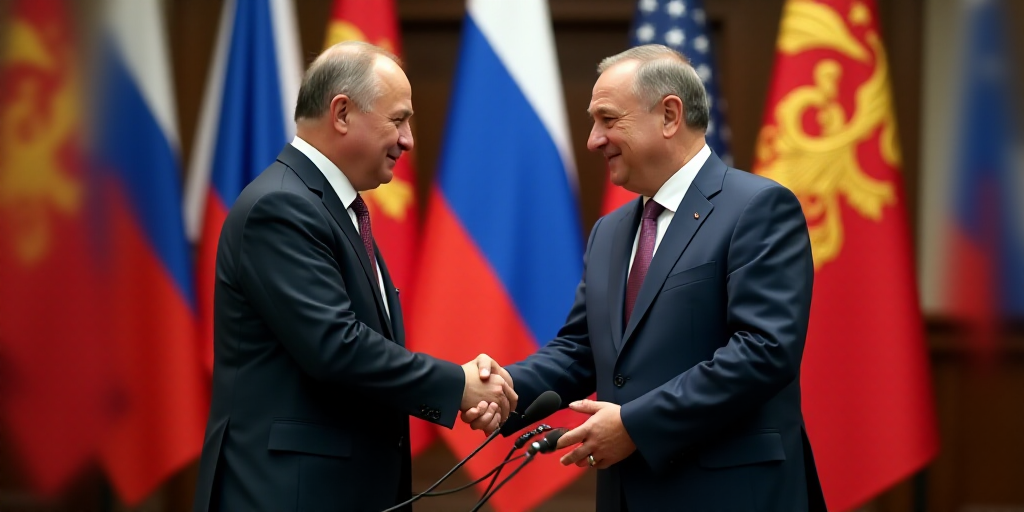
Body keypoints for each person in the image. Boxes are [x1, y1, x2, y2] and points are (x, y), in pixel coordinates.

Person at [465, 44, 826, 512]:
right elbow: (581, 350)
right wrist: (505, 388)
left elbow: (763, 351)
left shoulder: (757, 208)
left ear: (670, 115)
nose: (594, 139)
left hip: (730, 494)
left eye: (608, 119)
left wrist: (636, 424)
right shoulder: (610, 231)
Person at [193, 41, 516, 512]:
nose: (408, 140)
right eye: (398, 120)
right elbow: (336, 346)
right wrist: (456, 384)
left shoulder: (330, 207)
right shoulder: (281, 206)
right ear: (341, 113)